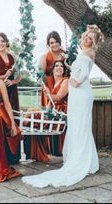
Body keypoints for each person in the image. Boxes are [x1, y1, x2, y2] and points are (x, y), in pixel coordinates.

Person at [22, 24, 104, 187]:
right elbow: (78, 68)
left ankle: (83, 161)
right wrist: (68, 67)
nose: (88, 39)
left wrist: (77, 81)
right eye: (86, 36)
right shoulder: (82, 53)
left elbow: (85, 72)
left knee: (81, 126)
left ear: (94, 41)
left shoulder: (90, 52)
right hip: (76, 93)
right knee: (76, 125)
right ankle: (80, 158)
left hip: (81, 92)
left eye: (91, 38)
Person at [25, 31, 68, 161]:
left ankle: (59, 148)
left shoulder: (65, 55)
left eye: (56, 42)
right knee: (41, 114)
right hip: (49, 85)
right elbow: (40, 74)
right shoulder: (45, 56)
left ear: (60, 41)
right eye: (51, 43)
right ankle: (45, 147)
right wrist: (46, 88)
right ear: (48, 44)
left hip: (60, 90)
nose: (54, 45)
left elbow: (70, 70)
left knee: (48, 115)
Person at [0, 32, 21, 164]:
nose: (0, 44)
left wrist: (12, 82)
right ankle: (4, 155)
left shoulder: (12, 57)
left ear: (7, 42)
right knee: (5, 120)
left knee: (14, 118)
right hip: (0, 92)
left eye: (2, 41)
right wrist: (4, 75)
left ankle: (14, 155)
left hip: (12, 91)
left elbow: (19, 76)